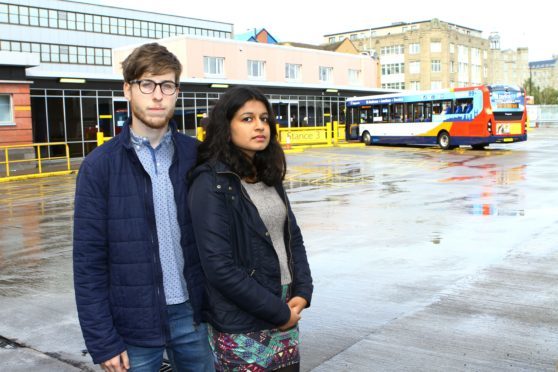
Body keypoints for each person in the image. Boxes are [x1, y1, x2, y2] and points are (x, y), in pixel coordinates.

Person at [73, 42, 214, 372]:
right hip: (132, 325)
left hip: (194, 317)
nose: (157, 95)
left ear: (177, 92)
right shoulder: (99, 167)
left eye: (167, 85)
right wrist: (103, 340)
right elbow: (88, 263)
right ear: (128, 89)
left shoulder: (199, 156)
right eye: (146, 84)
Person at [188, 86, 313, 371]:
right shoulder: (210, 181)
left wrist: (303, 292)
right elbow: (219, 267)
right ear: (225, 126)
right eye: (247, 119)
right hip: (242, 319)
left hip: (286, 309)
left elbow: (293, 239)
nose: (260, 126)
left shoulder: (267, 175)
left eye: (264, 118)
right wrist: (277, 312)